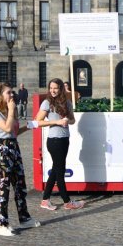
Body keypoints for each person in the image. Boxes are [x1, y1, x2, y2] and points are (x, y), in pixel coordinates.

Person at [0, 82, 40, 236]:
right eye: (8, 93)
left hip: (13, 148)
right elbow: (7, 128)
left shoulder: (8, 110)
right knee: (3, 187)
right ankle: (2, 224)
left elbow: (14, 132)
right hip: (1, 150)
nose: (12, 95)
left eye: (12, 92)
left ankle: (24, 217)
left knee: (20, 185)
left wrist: (30, 126)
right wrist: (11, 110)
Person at [35, 78, 84, 211]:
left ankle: (45, 200)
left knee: (56, 170)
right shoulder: (47, 103)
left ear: (61, 88)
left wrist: (68, 120)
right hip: (54, 140)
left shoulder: (67, 102)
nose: (53, 90)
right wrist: (56, 122)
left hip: (64, 139)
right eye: (51, 88)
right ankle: (67, 202)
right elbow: (37, 122)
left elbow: (73, 120)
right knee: (60, 171)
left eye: (55, 88)